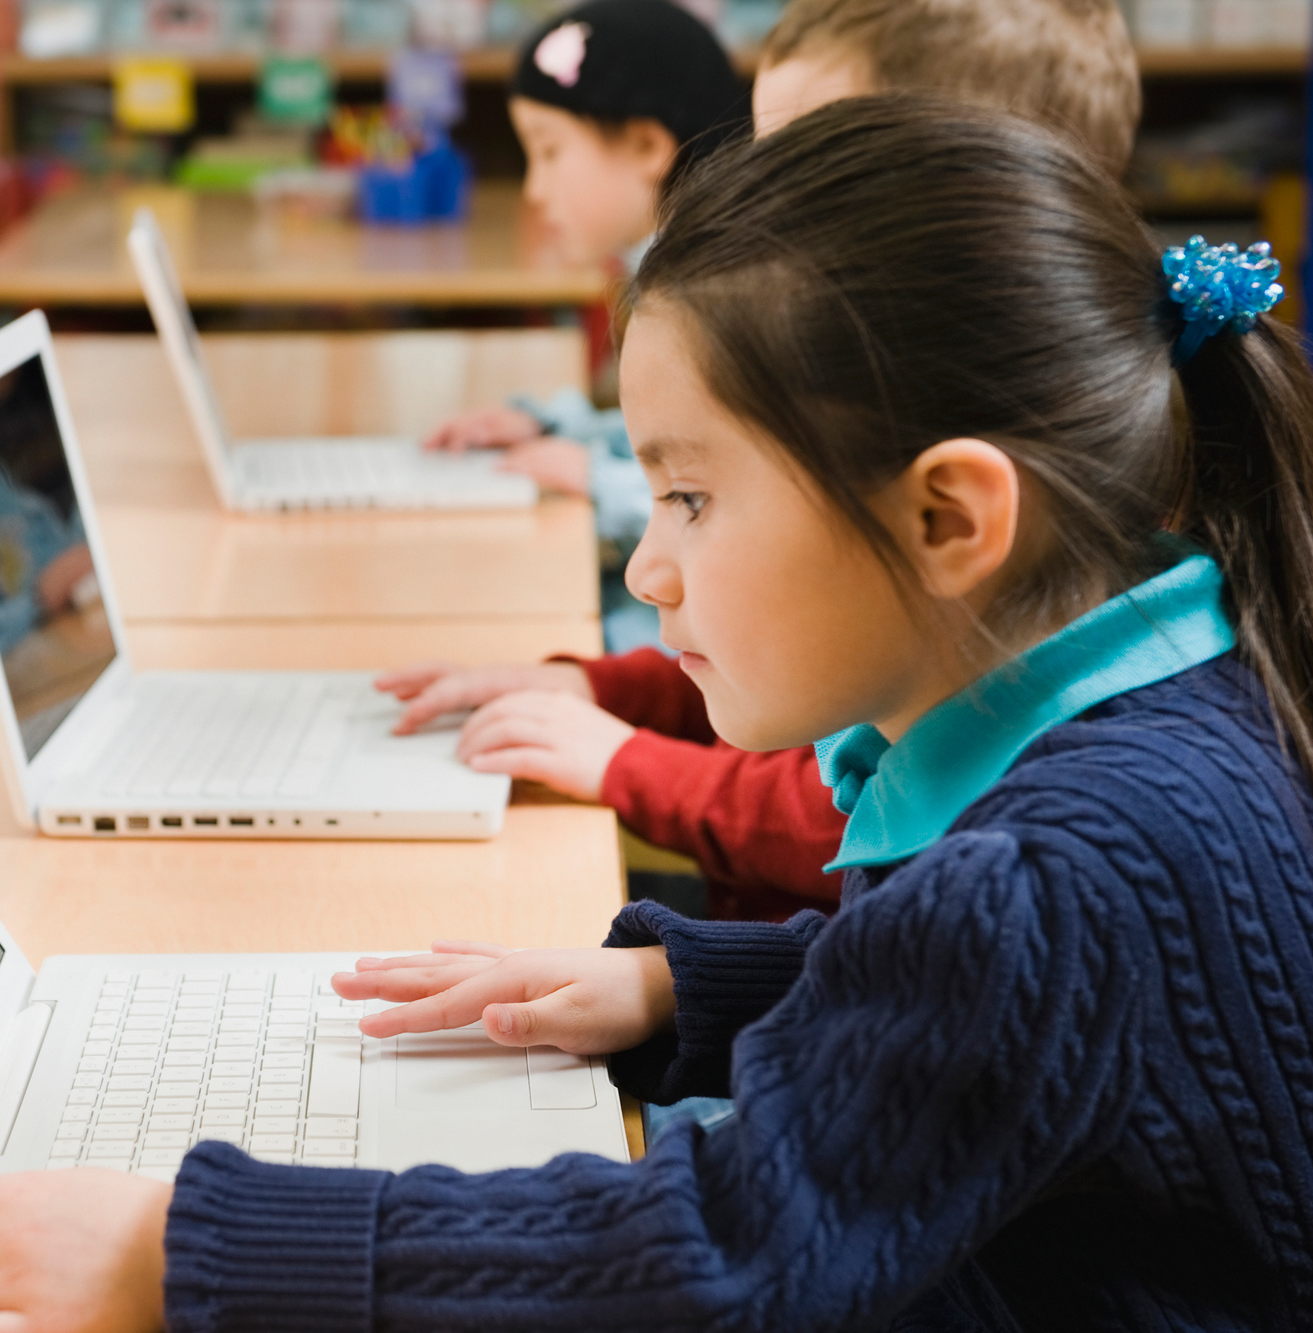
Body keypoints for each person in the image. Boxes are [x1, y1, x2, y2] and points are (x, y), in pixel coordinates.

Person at [0, 99, 1313, 1331]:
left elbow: (713, 1264)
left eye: (688, 495)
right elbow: (978, 1025)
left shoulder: (1046, 883)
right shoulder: (1177, 704)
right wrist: (686, 995)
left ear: (948, 516)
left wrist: (180, 1248)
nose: (647, 563)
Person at [396, 0, 1144, 921]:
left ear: (981, 175)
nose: (755, 189)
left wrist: (622, 758)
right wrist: (602, 688)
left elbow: (849, 815)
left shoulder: (1050, 816)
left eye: (812, 157)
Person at [423, 0, 750, 654]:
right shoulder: (667, 269)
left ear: (646, 146)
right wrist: (558, 425)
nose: (535, 191)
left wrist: (593, 477)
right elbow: (669, 438)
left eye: (548, 152)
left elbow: (731, 492)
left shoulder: (711, 296)